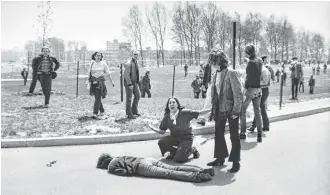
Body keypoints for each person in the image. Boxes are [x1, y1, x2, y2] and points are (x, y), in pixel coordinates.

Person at [203, 50, 243, 173]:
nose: (213, 64)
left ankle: (236, 162)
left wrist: (236, 111)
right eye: (212, 62)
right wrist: (212, 110)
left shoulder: (231, 73)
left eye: (214, 61)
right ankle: (220, 158)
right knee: (218, 133)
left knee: (234, 135)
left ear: (220, 60)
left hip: (231, 109)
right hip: (219, 109)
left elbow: (238, 94)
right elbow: (215, 94)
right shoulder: (215, 75)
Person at [149, 97, 210, 163]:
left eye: (174, 102)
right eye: (170, 103)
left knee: (179, 159)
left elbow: (200, 113)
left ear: (177, 104)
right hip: (175, 138)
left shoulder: (184, 113)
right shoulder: (167, 117)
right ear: (168, 106)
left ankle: (192, 149)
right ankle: (174, 152)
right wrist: (152, 128)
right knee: (162, 142)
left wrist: (211, 109)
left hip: (187, 138)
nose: (172, 104)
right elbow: (162, 131)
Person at [96, 153, 214, 183]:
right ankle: (200, 169)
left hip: (141, 167)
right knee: (175, 168)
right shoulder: (118, 156)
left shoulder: (111, 167)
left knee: (169, 174)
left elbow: (124, 172)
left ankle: (198, 177)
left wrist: (129, 171)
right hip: (146, 159)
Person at [239, 45, 263, 143]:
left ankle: (242, 133)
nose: (245, 53)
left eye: (246, 52)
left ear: (248, 53)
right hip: (258, 89)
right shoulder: (259, 61)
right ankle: (259, 135)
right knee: (257, 112)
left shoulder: (251, 63)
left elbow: (248, 78)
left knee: (242, 110)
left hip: (251, 89)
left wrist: (244, 89)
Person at [247, 56, 273, 133]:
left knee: (257, 108)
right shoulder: (260, 70)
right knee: (261, 108)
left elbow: (265, 82)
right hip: (260, 90)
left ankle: (254, 126)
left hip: (263, 90)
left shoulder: (264, 70)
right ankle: (266, 126)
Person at [88, 52, 114, 118]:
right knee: (97, 97)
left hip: (100, 83)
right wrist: (88, 81)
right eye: (97, 55)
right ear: (94, 56)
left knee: (97, 98)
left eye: (100, 55)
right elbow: (89, 73)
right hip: (93, 83)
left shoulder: (103, 63)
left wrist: (112, 82)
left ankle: (95, 112)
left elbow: (108, 73)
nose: (99, 57)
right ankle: (102, 110)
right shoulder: (92, 63)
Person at [124, 51, 141, 119]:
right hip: (129, 83)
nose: (136, 55)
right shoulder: (129, 63)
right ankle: (129, 114)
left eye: (137, 54)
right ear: (132, 55)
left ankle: (134, 111)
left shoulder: (136, 62)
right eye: (135, 54)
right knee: (129, 98)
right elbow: (126, 74)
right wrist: (129, 84)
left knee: (138, 96)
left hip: (135, 83)